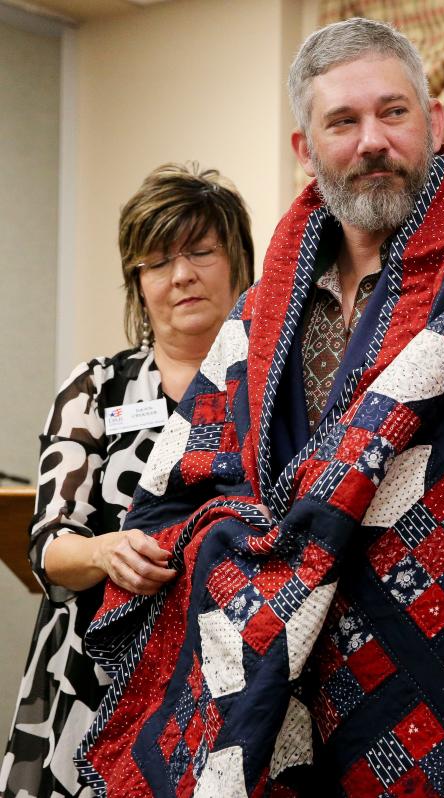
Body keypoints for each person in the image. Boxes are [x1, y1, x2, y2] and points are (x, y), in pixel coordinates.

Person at [76, 18, 444, 798]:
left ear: (434, 123)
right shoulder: (261, 309)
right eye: (343, 121)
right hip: (297, 673)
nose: (373, 139)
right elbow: (199, 472)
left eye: (393, 112)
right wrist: (210, 540)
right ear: (306, 150)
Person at [0, 164, 255, 798]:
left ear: (239, 264)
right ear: (137, 283)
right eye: (159, 261)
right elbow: (48, 548)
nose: (183, 275)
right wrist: (104, 550)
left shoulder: (272, 391)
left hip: (227, 681)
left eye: (201, 251)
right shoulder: (95, 389)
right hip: (94, 679)